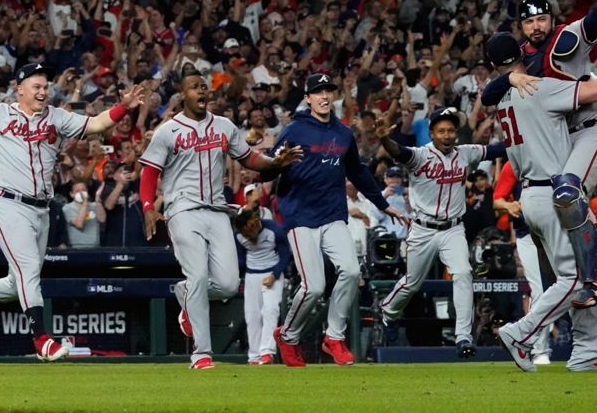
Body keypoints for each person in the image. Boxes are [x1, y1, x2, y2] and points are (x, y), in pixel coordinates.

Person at [0, 41, 146, 363]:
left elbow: (96, 124)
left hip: (41, 209)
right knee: (29, 270)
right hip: (8, 203)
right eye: (37, 86)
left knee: (18, 283)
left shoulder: (56, 117)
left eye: (46, 86)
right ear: (21, 89)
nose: (43, 91)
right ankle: (41, 339)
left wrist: (123, 107)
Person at [480, 0, 597, 306]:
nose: (536, 26)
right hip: (566, 135)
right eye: (529, 22)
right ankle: (586, 290)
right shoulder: (522, 58)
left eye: (542, 19)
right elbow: (488, 94)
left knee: (567, 190)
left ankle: (595, 278)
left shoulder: (566, 37)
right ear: (521, 27)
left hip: (593, 128)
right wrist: (510, 75)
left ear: (552, 19)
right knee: (564, 202)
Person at [137, 67, 301, 369]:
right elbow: (149, 172)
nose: (202, 91)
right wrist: (149, 206)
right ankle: (201, 354)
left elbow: (249, 158)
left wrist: (274, 163)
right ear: (182, 94)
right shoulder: (167, 131)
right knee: (198, 275)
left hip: (217, 209)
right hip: (181, 210)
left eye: (204, 86)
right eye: (194, 87)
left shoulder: (224, 126)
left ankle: (185, 294)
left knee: (226, 284)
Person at [485, 33, 597, 372]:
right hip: (552, 193)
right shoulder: (538, 87)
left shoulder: (502, 97)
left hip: (530, 193)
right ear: (522, 53)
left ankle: (588, 354)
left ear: (493, 66)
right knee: (578, 279)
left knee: (575, 276)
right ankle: (522, 332)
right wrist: (584, 71)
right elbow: (595, 92)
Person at [264, 73, 408, 367]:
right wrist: (278, 161)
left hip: (332, 214)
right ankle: (288, 336)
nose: (324, 96)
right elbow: (266, 169)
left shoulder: (343, 134)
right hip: (300, 215)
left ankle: (334, 336)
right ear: (307, 98)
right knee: (313, 286)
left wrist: (383, 204)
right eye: (318, 91)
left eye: (329, 90)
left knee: (352, 271)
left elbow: (358, 172)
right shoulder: (294, 130)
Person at [375, 106, 506, 358]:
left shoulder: (465, 153)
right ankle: (388, 312)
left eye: (450, 130)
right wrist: (383, 138)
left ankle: (463, 337)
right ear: (432, 133)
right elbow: (398, 151)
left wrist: (526, 138)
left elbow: (498, 150)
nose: (446, 135)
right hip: (423, 229)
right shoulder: (420, 155)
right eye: (441, 130)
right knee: (412, 283)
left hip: (453, 229)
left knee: (463, 274)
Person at [493, 161, 552, 365]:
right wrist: (508, 204)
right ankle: (539, 349)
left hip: (556, 231)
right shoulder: (514, 163)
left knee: (568, 286)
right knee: (539, 290)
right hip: (527, 233)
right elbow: (496, 200)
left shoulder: (555, 158)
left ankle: (582, 347)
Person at [233, 207, 290, 366]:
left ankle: (267, 352)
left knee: (270, 311)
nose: (250, 238)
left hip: (272, 272)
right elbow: (241, 260)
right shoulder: (237, 235)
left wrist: (275, 275)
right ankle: (254, 355)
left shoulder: (275, 230)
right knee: (252, 316)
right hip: (251, 276)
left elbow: (285, 255)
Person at [62, 180, 100, 249]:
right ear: (71, 194)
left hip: (95, 248)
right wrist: (85, 202)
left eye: (83, 190)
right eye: (77, 191)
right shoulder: (67, 208)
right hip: (77, 249)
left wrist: (98, 200)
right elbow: (79, 224)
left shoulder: (94, 206)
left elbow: (103, 219)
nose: (81, 193)